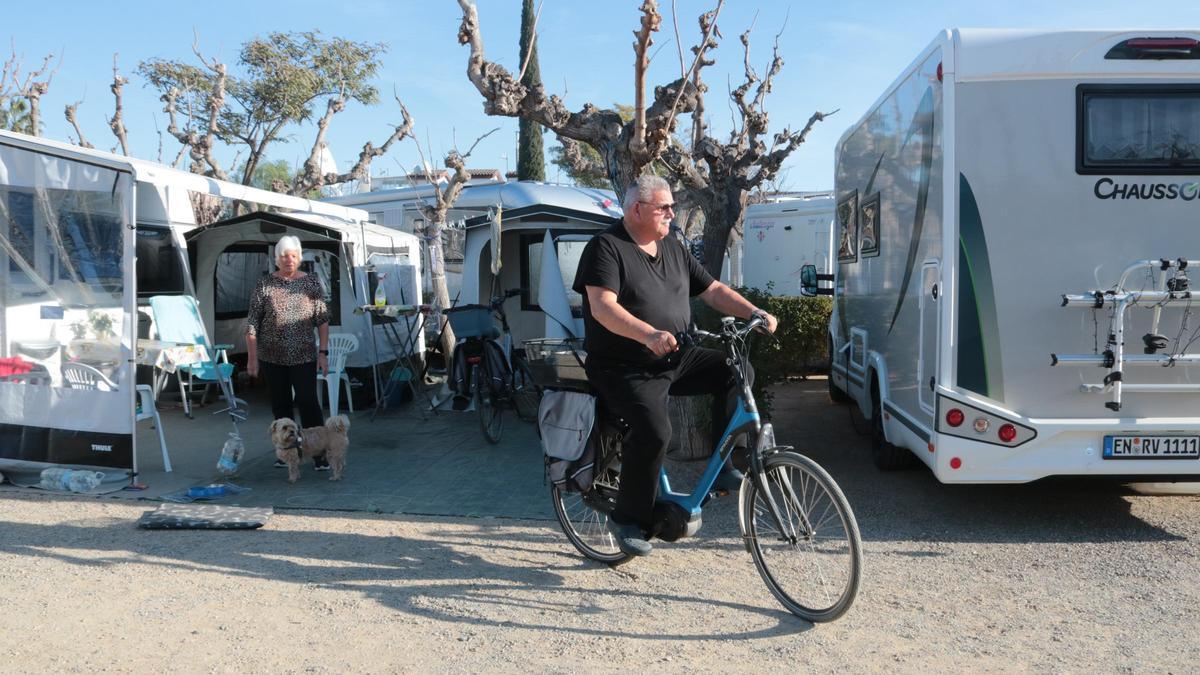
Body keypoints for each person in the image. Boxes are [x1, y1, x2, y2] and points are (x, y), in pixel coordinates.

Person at [572, 174, 778, 557]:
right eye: (664, 207)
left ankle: (725, 464)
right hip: (623, 366)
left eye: (672, 207)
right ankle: (629, 518)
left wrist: (754, 311)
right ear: (637, 209)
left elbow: (713, 290)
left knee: (737, 371)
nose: (672, 213)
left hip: (674, 356)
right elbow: (603, 306)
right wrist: (648, 333)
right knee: (654, 429)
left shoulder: (673, 247)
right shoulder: (606, 247)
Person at [246, 235, 332, 471]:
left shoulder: (311, 283)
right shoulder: (265, 284)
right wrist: (252, 358)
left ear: (299, 257)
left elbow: (323, 320)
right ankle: (286, 453)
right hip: (271, 356)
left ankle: (318, 453)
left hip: (304, 355)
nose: (289, 260)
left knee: (308, 402)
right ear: (277, 259)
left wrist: (323, 353)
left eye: (293, 255)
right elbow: (252, 323)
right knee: (280, 404)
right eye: (284, 256)